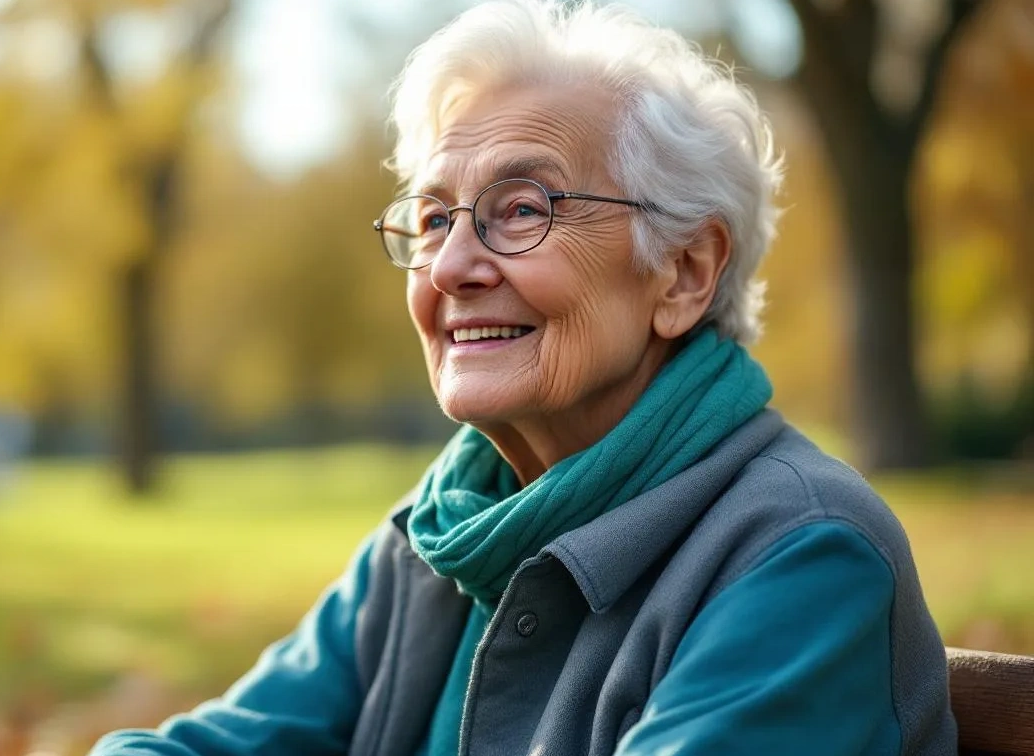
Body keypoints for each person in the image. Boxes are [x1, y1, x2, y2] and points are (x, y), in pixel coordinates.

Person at [90, 1, 957, 754]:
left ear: (685, 272)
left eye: (522, 210)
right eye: (433, 219)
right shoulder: (445, 530)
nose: (450, 265)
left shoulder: (804, 557)